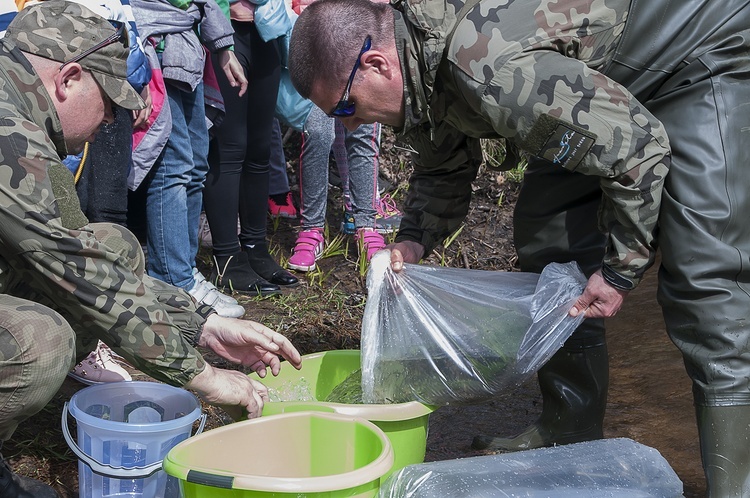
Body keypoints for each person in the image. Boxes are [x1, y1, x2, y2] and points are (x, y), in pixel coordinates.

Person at [287, 0, 750, 495]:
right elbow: (444, 158)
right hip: (586, 84)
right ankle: (569, 429)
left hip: (692, 55)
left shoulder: (488, 72)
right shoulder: (422, 59)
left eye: (344, 108)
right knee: (548, 233)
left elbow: (636, 150)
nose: (351, 126)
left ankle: (736, 480)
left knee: (704, 275)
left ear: (376, 64)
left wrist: (620, 271)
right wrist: (415, 241)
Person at [0, 3, 301, 496]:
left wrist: (202, 325)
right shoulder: (8, 131)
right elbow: (74, 270)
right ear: (69, 79)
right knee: (40, 341)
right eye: (111, 104)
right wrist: (201, 377)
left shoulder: (21, 115)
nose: (113, 121)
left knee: (112, 243)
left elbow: (87, 256)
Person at [130, 0, 249, 312]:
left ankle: (185, 271)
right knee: (175, 170)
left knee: (196, 164)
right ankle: (173, 280)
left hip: (185, 47)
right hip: (151, 43)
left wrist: (223, 46)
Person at [203, 0, 299, 297]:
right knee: (230, 149)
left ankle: (256, 248)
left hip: (265, 32)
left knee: (260, 150)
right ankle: (227, 256)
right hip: (223, 36)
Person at [288, 104, 390, 272]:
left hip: (361, 78)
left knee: (363, 134)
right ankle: (311, 229)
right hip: (319, 78)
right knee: (317, 133)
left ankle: (366, 227)